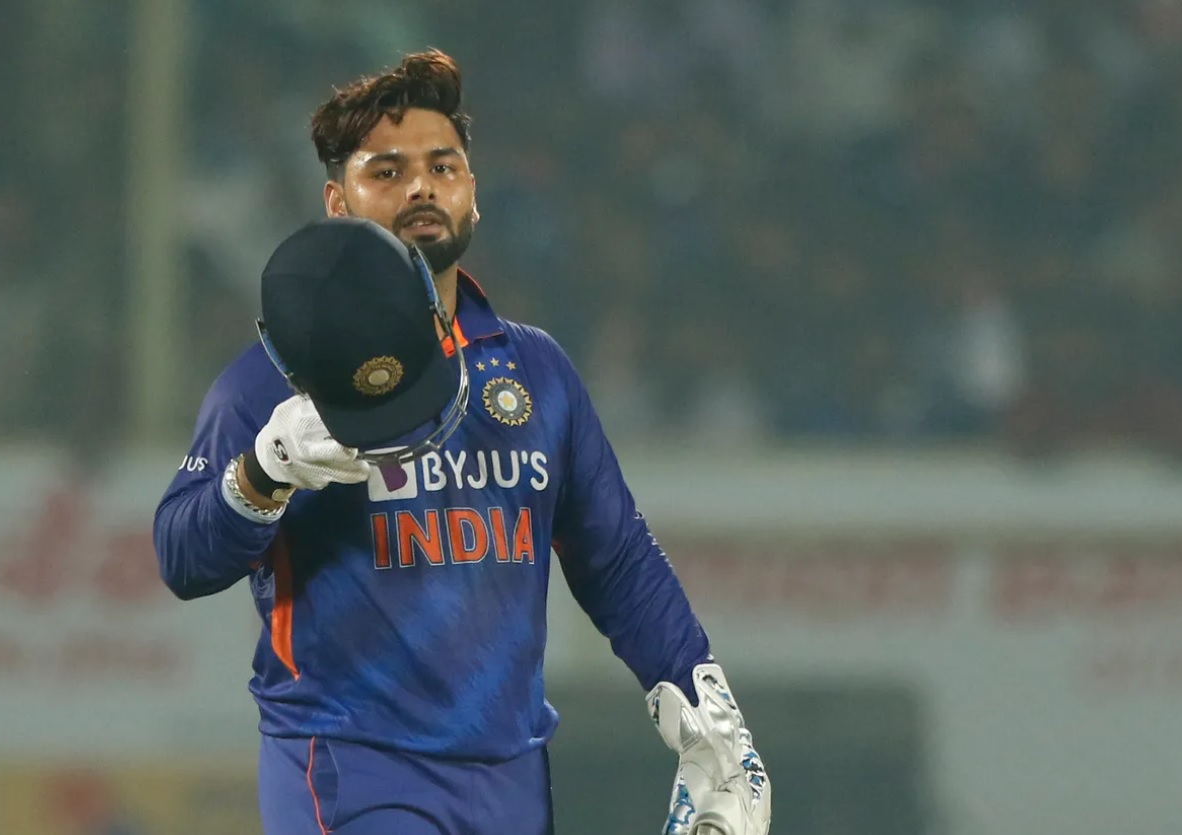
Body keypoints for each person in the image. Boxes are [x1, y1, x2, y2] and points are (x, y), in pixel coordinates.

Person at [153, 48, 770, 835]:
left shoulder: (537, 369)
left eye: (442, 166)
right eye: (387, 171)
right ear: (338, 203)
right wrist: (260, 472)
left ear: (473, 192)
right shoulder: (265, 383)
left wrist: (709, 720)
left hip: (512, 777)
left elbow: (616, 559)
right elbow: (181, 556)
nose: (421, 187)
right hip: (350, 769)